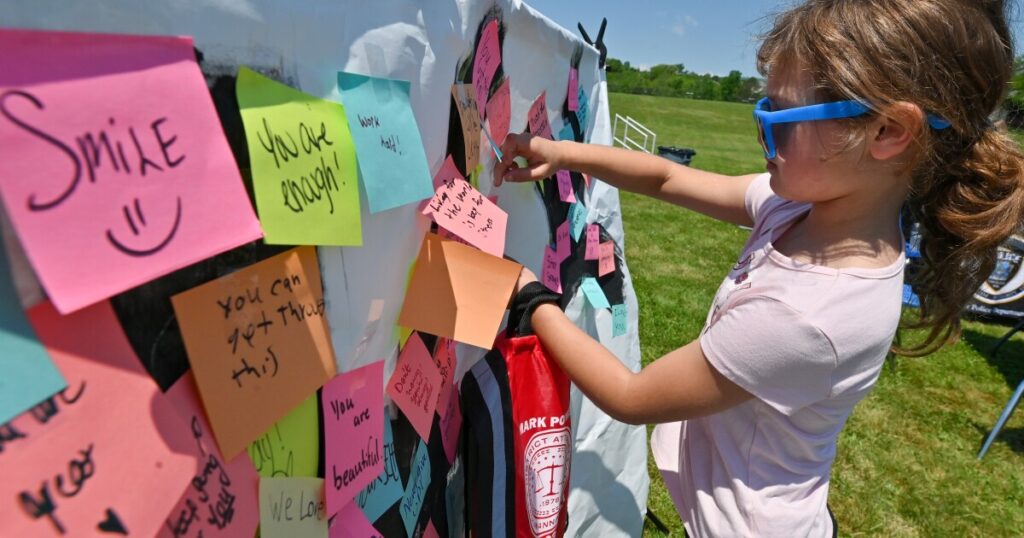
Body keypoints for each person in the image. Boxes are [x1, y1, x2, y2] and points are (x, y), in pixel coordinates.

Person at [492, 0, 1024, 536]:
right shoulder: (802, 206)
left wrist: (530, 294)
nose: (762, 135)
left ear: (888, 132)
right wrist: (561, 153)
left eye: (780, 121)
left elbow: (630, 396)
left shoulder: (805, 314)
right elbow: (667, 180)